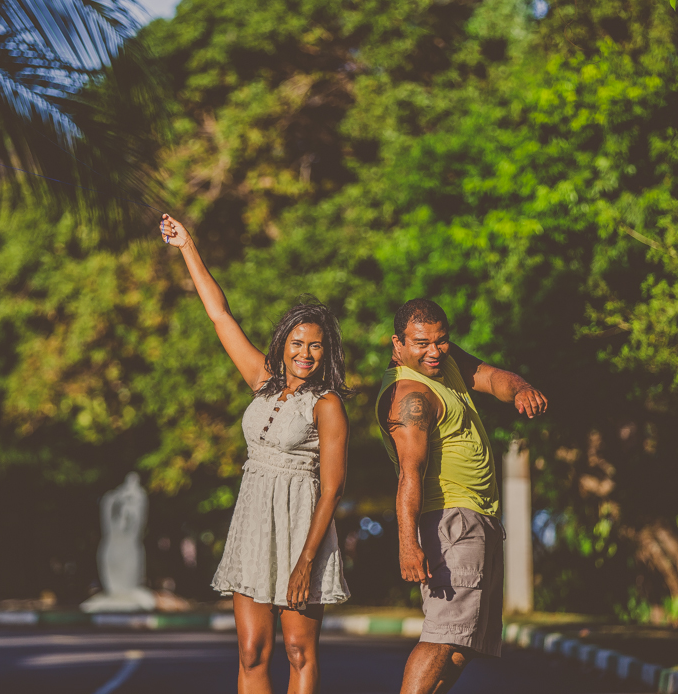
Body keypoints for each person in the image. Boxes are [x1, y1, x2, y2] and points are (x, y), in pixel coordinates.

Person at [160, 214, 351, 694]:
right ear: (283, 344)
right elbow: (220, 315)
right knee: (251, 652)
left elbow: (333, 488)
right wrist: (188, 247)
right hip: (253, 523)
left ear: (326, 354)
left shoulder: (327, 406)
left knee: (299, 653)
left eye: (315, 347)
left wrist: (307, 559)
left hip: (301, 529)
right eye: (297, 343)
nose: (305, 353)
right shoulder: (263, 382)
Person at [375, 298, 548, 694]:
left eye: (441, 341)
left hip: (478, 515)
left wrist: (520, 389)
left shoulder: (443, 363)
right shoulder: (409, 396)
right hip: (451, 519)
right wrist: (407, 543)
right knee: (442, 637)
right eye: (421, 343)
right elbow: (410, 473)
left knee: (460, 645)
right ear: (397, 344)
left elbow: (487, 376)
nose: (433, 351)